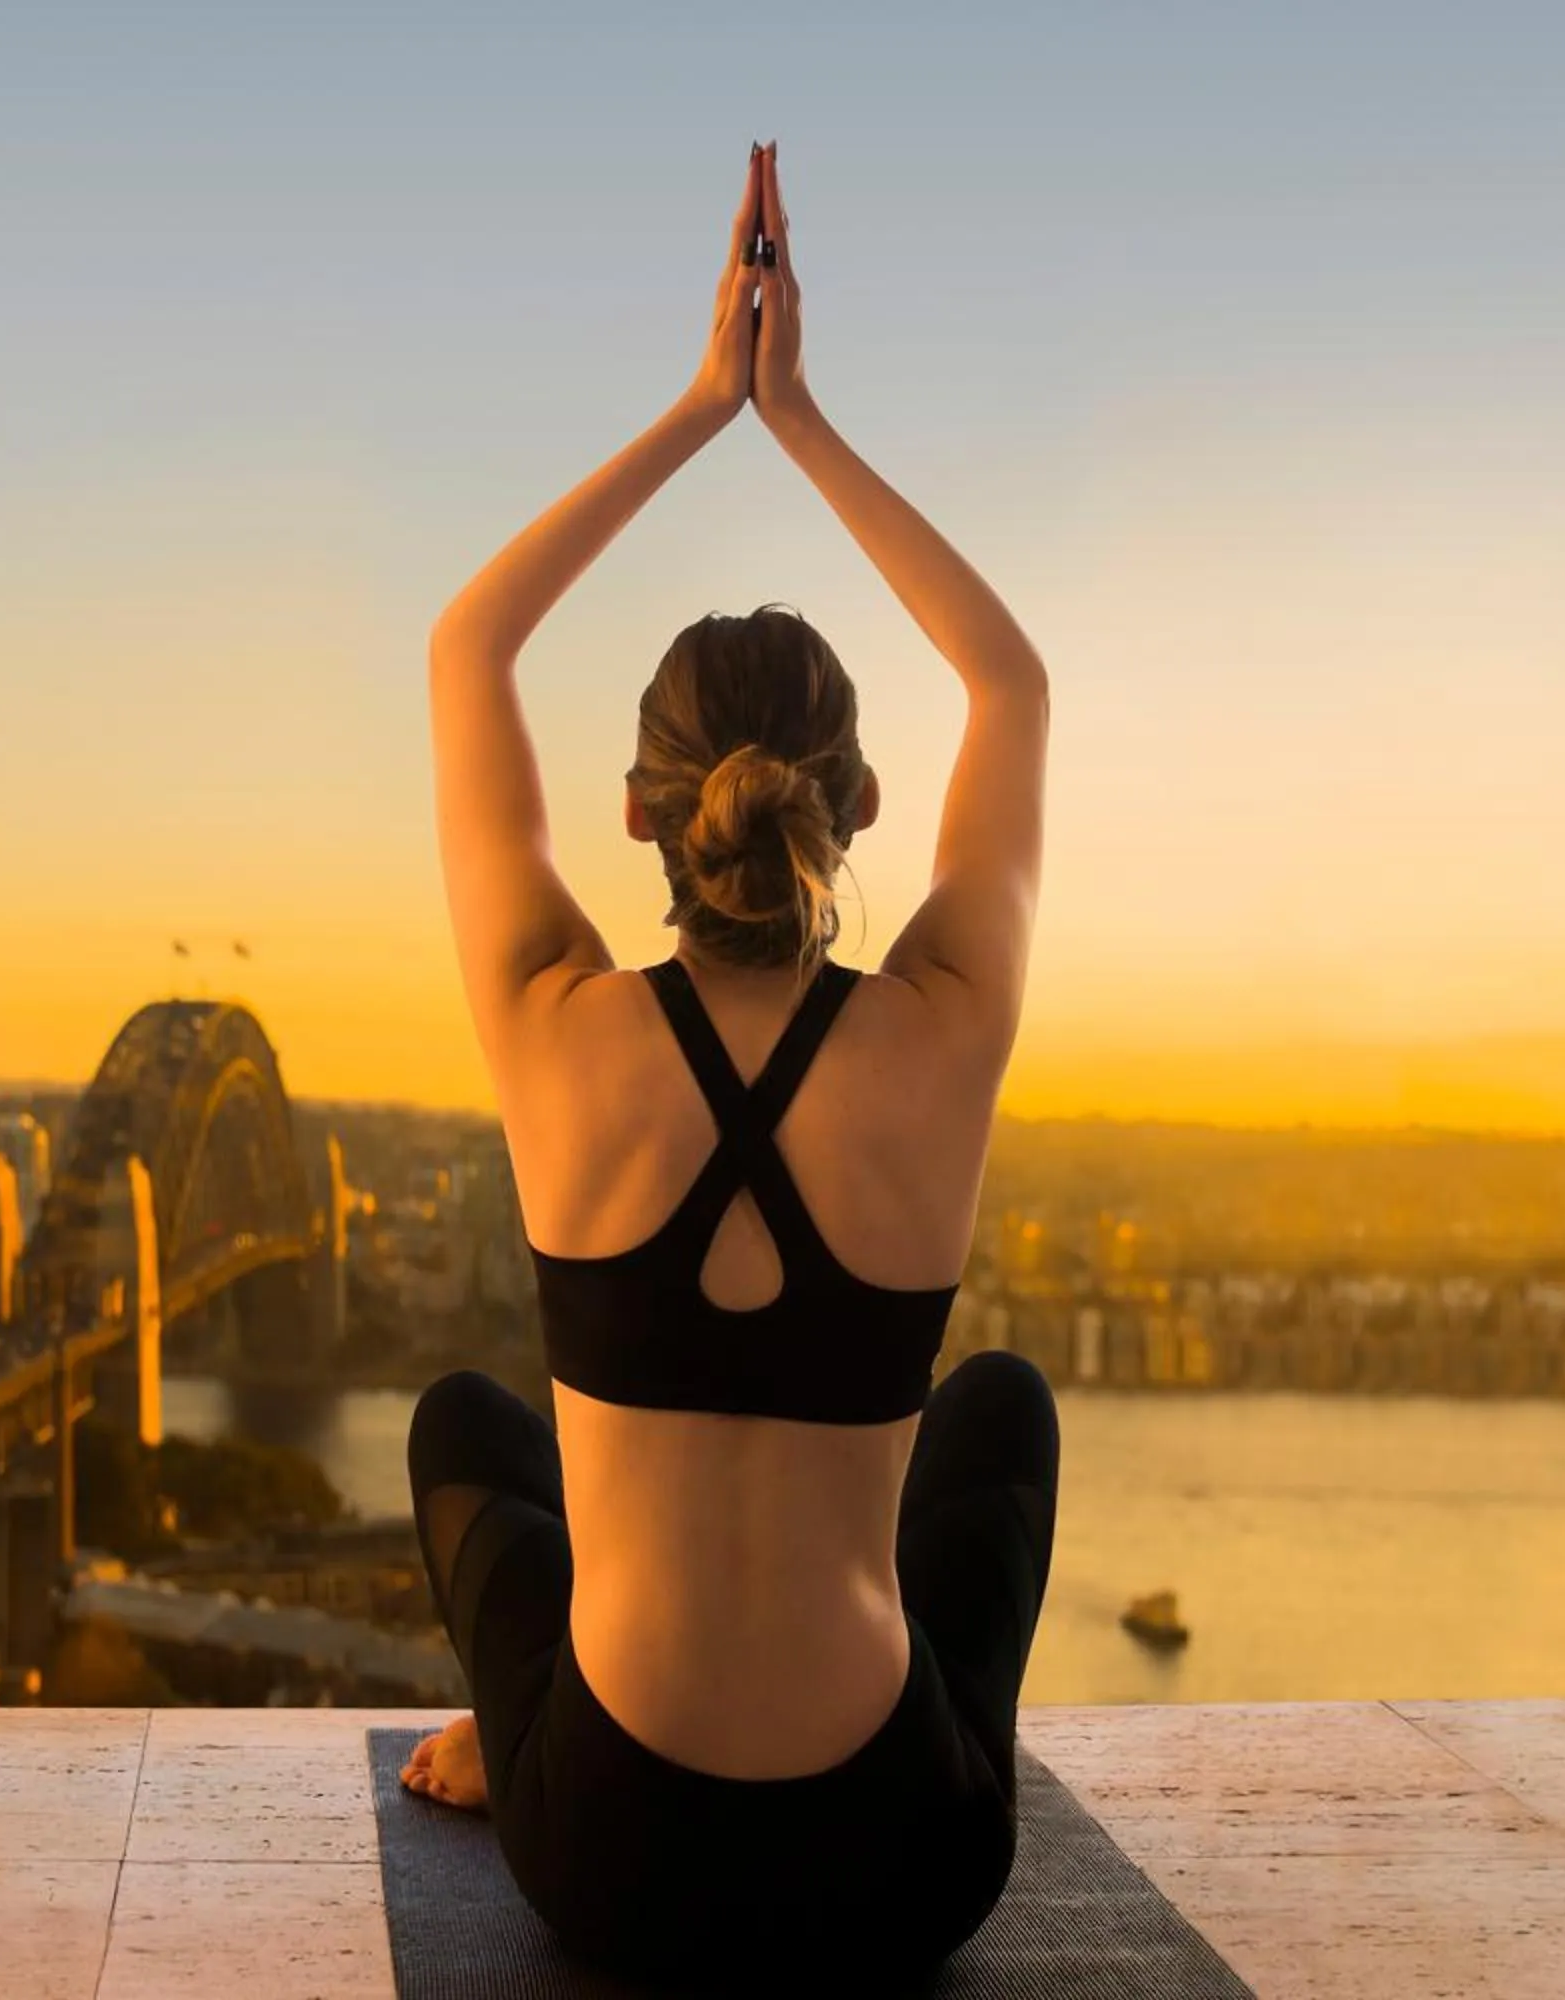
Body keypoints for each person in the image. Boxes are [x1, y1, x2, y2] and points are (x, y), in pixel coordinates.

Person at [403, 138, 1058, 1989]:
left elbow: (469, 645)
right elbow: (1009, 684)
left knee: (469, 1431)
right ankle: (961, 1742)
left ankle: (497, 1743)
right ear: (858, 809)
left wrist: (706, 404)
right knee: (996, 1411)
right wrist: (802, 415)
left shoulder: (557, 1026)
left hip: (611, 1857)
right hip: (902, 1868)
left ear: (636, 814)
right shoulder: (935, 1035)